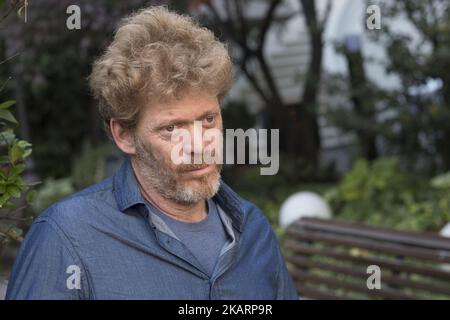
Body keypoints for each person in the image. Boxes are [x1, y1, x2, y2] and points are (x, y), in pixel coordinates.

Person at [6, 6, 298, 300]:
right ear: (124, 135)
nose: (198, 146)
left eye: (208, 119)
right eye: (172, 128)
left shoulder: (253, 229)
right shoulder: (66, 236)